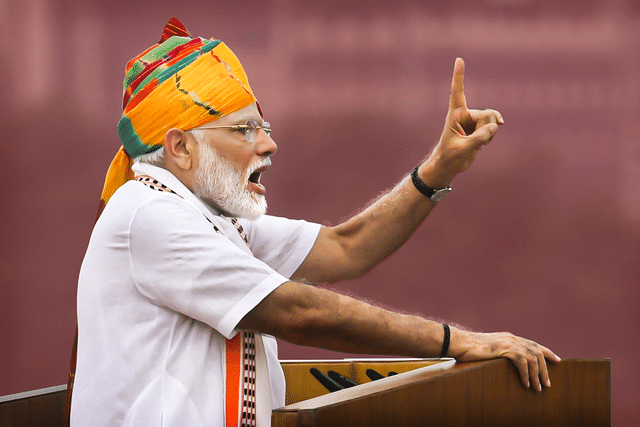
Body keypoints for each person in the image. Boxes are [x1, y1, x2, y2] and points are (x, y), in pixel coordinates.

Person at [69, 17, 560, 427]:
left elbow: (348, 247)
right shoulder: (149, 215)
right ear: (180, 147)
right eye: (245, 129)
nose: (268, 144)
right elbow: (300, 313)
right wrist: (462, 343)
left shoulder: (212, 218)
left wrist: (440, 169)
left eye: (264, 126)